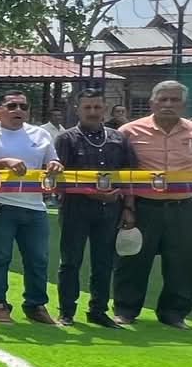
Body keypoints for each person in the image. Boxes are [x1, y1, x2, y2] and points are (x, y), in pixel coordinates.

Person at [115, 80, 192, 328]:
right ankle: (125, 310)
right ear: (152, 103)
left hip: (182, 208)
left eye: (174, 100)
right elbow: (121, 172)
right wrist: (127, 207)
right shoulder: (129, 131)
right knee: (133, 259)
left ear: (184, 104)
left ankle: (174, 313)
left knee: (181, 263)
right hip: (142, 207)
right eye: (163, 99)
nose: (168, 104)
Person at [0, 88, 59, 325]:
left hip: (35, 206)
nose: (18, 110)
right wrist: (4, 162)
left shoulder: (41, 134)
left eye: (23, 106)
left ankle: (36, 305)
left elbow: (53, 161)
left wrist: (55, 165)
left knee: (38, 258)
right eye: (11, 106)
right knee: (0, 257)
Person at [52, 90, 137, 327]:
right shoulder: (66, 139)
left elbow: (131, 175)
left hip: (111, 209)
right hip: (75, 208)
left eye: (97, 107)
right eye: (87, 107)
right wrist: (91, 192)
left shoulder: (118, 139)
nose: (92, 112)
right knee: (71, 261)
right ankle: (67, 311)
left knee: (104, 262)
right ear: (77, 110)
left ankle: (98, 311)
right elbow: (58, 178)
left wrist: (128, 207)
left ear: (105, 109)